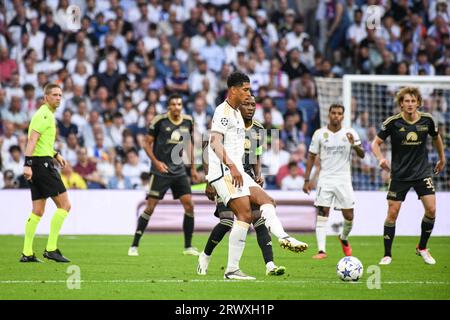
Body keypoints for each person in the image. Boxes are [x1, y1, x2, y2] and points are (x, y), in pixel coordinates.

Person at [204, 72, 307, 280]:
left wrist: (248, 171)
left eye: (249, 89)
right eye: (245, 89)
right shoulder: (223, 111)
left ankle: (284, 237)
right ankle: (232, 270)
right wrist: (232, 167)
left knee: (267, 201)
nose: (248, 93)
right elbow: (214, 142)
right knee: (244, 216)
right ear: (233, 90)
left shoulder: (237, 115)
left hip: (238, 171)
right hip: (224, 171)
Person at [197, 96, 286, 277]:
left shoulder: (259, 129)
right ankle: (205, 256)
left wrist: (258, 174)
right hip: (225, 177)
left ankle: (270, 265)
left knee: (258, 220)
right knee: (227, 221)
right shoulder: (225, 119)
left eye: (253, 104)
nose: (250, 107)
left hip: (247, 178)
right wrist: (209, 180)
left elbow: (257, 154)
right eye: (246, 104)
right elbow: (208, 149)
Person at [371, 87, 446, 265]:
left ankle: (422, 247)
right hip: (399, 174)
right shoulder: (392, 122)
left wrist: (442, 159)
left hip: (422, 172)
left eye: (413, 101)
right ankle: (387, 254)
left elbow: (436, 138)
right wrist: (380, 158)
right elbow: (375, 143)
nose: (410, 104)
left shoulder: (427, 120)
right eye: (406, 101)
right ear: (401, 104)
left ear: (418, 102)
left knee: (432, 210)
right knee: (392, 213)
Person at [128, 94, 199, 256]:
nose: (176, 107)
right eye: (173, 104)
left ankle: (188, 247)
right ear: (168, 107)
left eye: (179, 104)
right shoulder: (159, 121)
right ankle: (134, 245)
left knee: (189, 205)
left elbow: (189, 146)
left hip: (179, 170)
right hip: (161, 171)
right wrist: (156, 162)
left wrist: (193, 169)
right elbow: (146, 143)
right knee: (150, 207)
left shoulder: (188, 121)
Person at [303, 104, 365, 259]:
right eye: (333, 113)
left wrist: (354, 145)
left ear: (343, 116)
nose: (336, 116)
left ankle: (343, 237)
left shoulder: (350, 133)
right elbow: (311, 156)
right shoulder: (319, 134)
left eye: (339, 113)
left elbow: (362, 154)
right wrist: (307, 179)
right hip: (326, 178)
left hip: (344, 179)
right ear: (328, 115)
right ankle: (321, 251)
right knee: (323, 213)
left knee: (349, 216)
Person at [20, 83, 72, 263]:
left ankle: (27, 252)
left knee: (38, 210)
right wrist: (27, 164)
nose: (58, 98)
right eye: (55, 95)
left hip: (39, 163)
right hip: (41, 165)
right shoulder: (43, 115)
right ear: (46, 97)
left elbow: (42, 143)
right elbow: (32, 140)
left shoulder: (46, 114)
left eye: (60, 95)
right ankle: (51, 249)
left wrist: (56, 154)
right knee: (65, 205)